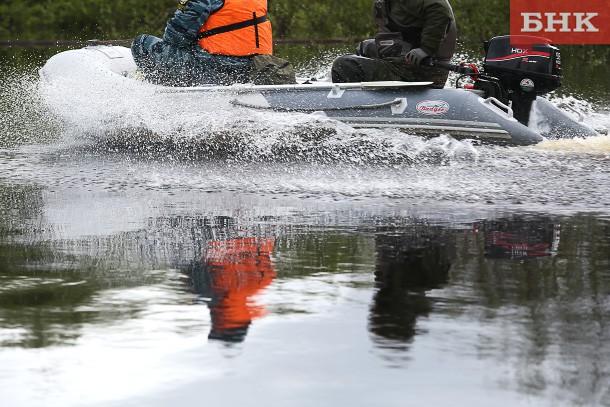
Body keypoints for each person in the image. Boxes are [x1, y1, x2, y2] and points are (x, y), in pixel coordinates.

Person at [131, 0, 290, 86]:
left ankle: (156, 88)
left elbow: (175, 38)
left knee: (141, 43)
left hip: (214, 69)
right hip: (254, 69)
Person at [331, 0, 457, 88]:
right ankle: (354, 90)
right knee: (366, 47)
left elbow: (439, 9)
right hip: (403, 63)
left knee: (344, 65)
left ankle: (348, 101)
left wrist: (425, 49)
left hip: (416, 71)